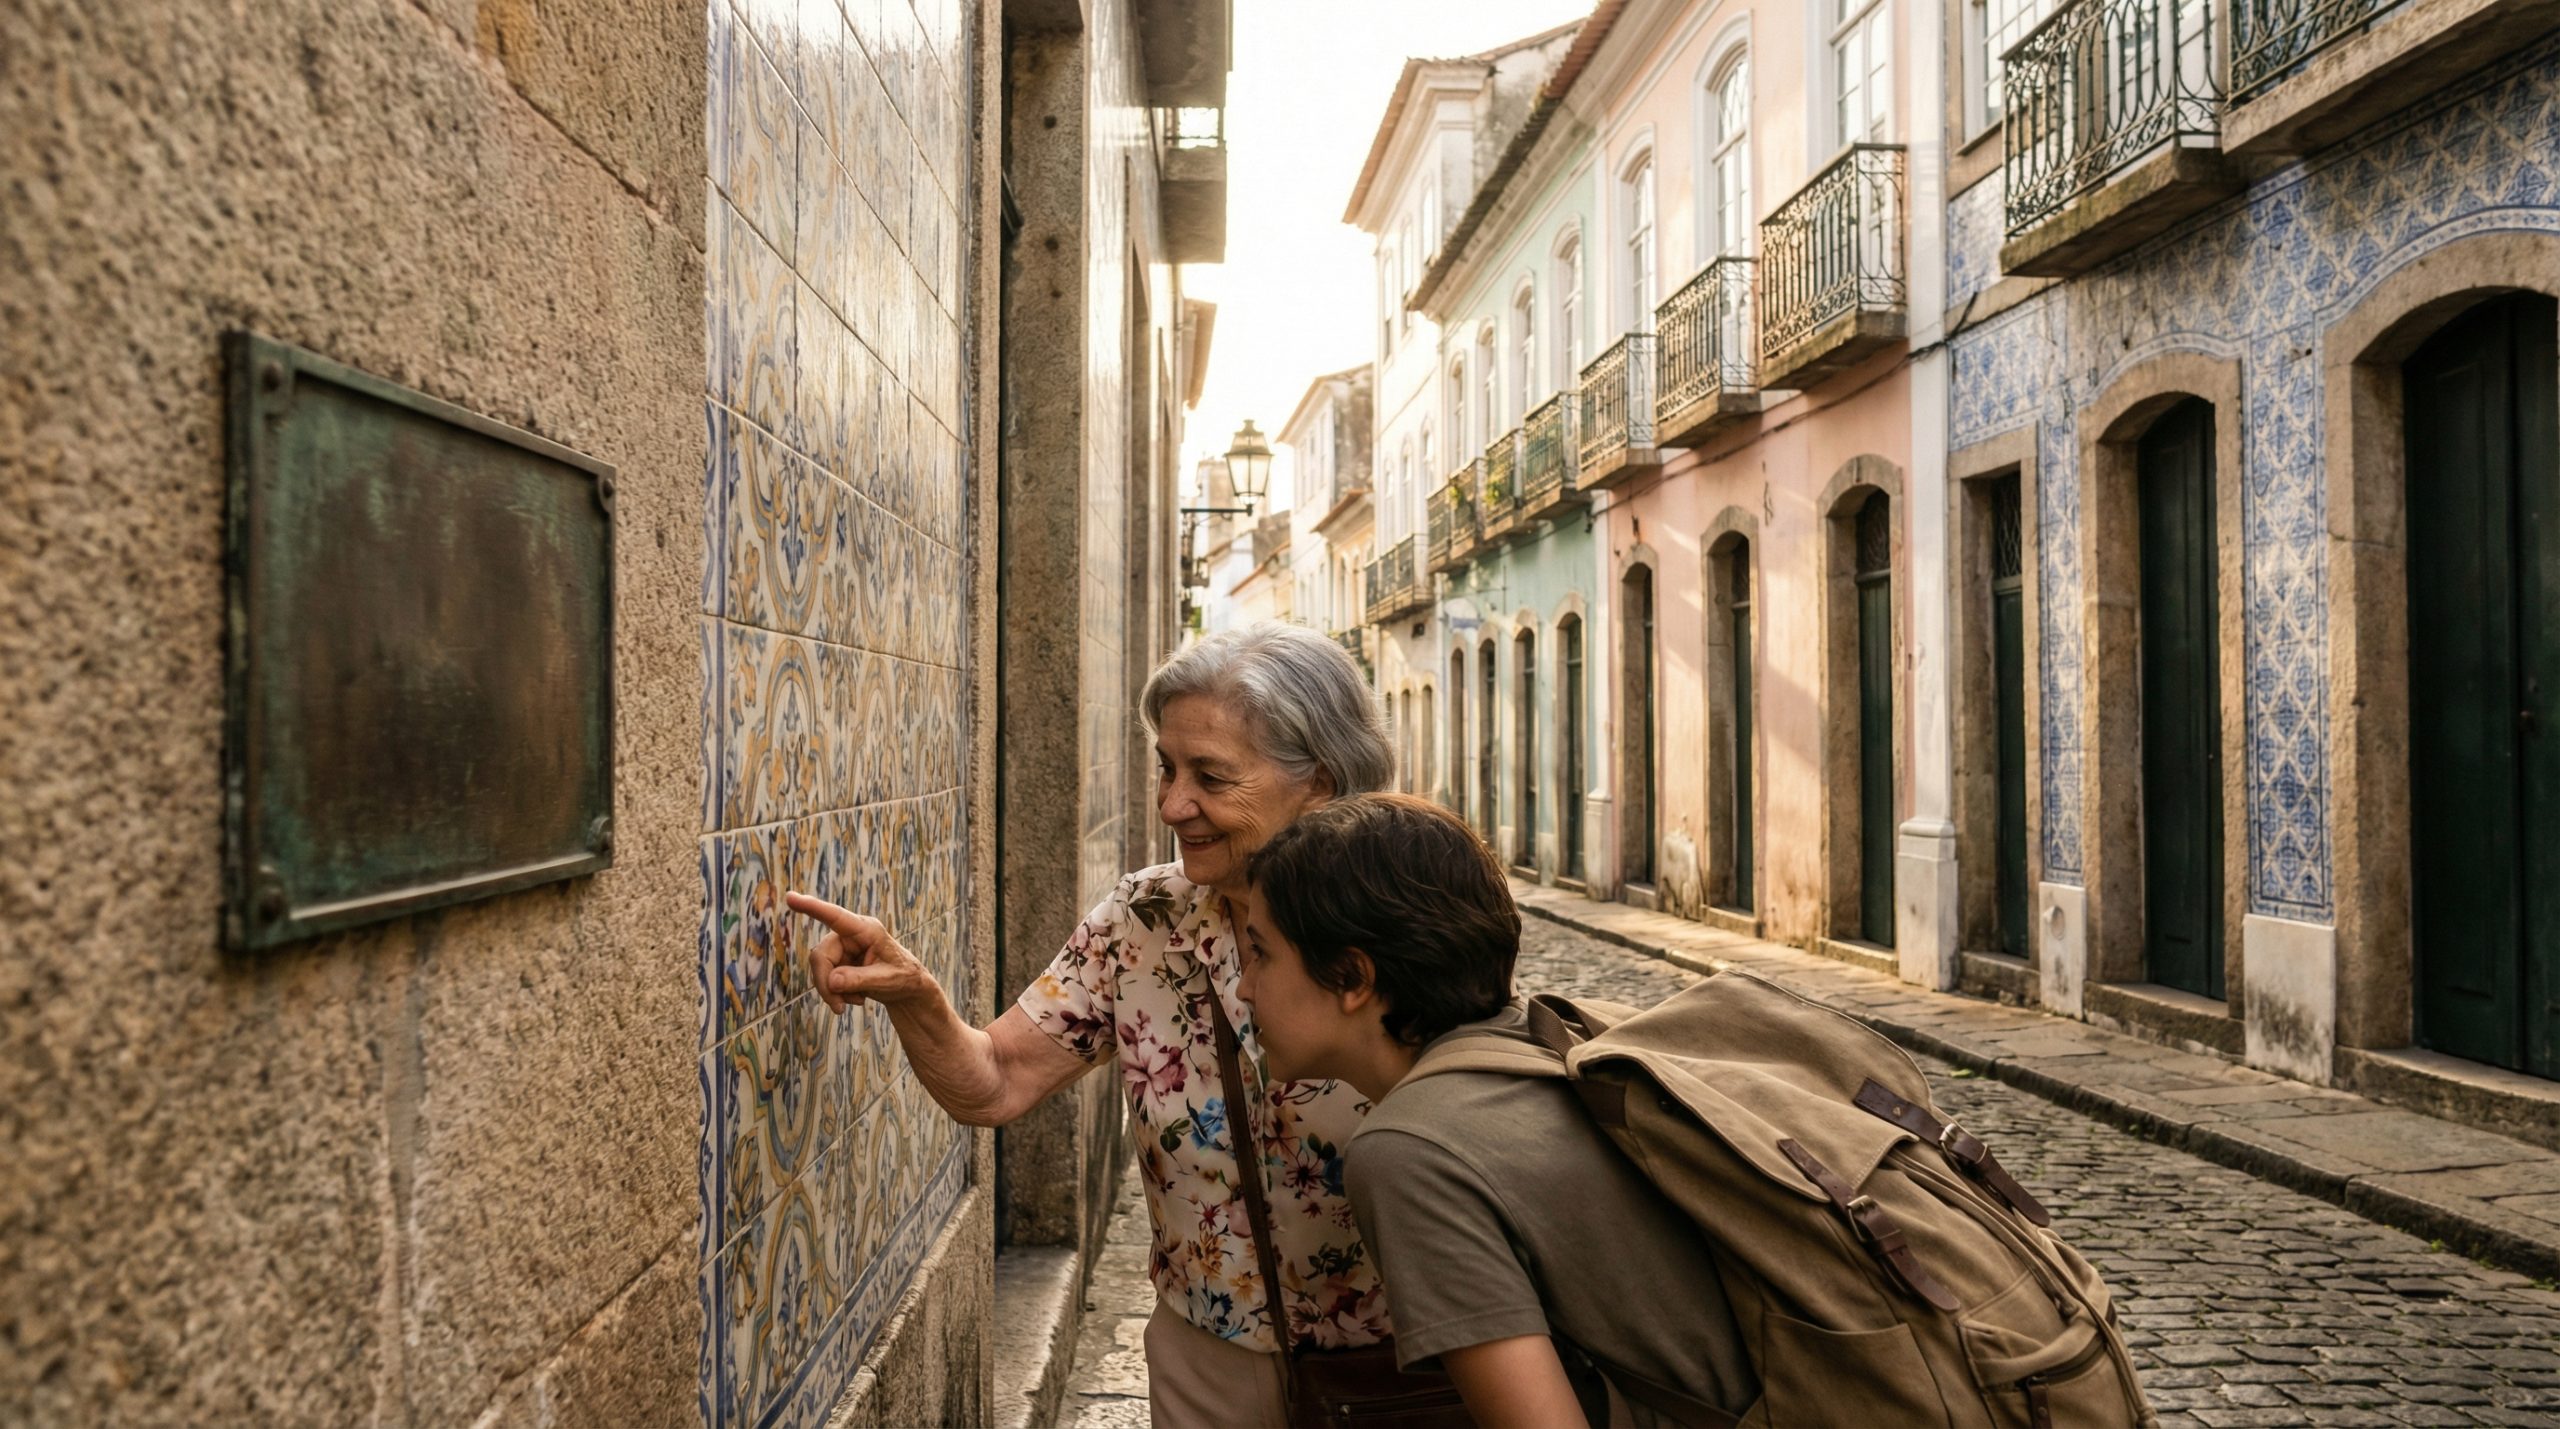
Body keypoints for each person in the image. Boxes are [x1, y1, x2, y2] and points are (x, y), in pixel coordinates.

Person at [786, 622, 1396, 1429]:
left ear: (1318, 781)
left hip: (1401, 1371)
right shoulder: (1145, 918)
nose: (1173, 804)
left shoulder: (1409, 917)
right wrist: (915, 995)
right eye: (1167, 767)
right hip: (1205, 1364)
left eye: (1211, 776)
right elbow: (996, 1081)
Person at [1236, 793, 1760, 1429]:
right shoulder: (1560, 1036)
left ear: (1352, 978)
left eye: (1261, 953)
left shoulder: (1411, 1153)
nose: (1243, 985)